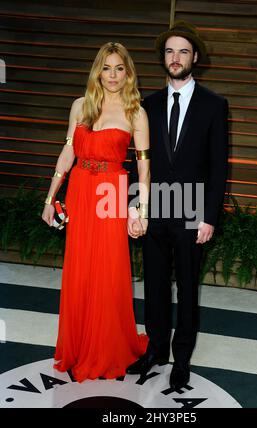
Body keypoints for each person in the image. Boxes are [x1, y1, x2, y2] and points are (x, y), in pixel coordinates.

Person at [126, 22, 229, 391]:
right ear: (163, 59)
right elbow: (136, 162)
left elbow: (219, 166)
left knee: (187, 287)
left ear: (195, 58)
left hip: (191, 212)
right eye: (170, 51)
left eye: (183, 51)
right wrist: (135, 209)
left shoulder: (214, 105)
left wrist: (209, 217)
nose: (176, 58)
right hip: (154, 211)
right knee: (154, 285)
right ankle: (155, 349)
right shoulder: (146, 105)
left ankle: (181, 356)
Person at [41, 42, 150, 382]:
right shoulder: (80, 106)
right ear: (97, 71)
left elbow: (145, 169)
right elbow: (68, 152)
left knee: (108, 270)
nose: (113, 75)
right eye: (107, 68)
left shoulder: (136, 112)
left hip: (111, 193)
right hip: (81, 190)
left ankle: (107, 349)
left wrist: (141, 210)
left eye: (119, 68)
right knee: (81, 271)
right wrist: (49, 199)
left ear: (128, 73)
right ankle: (78, 346)